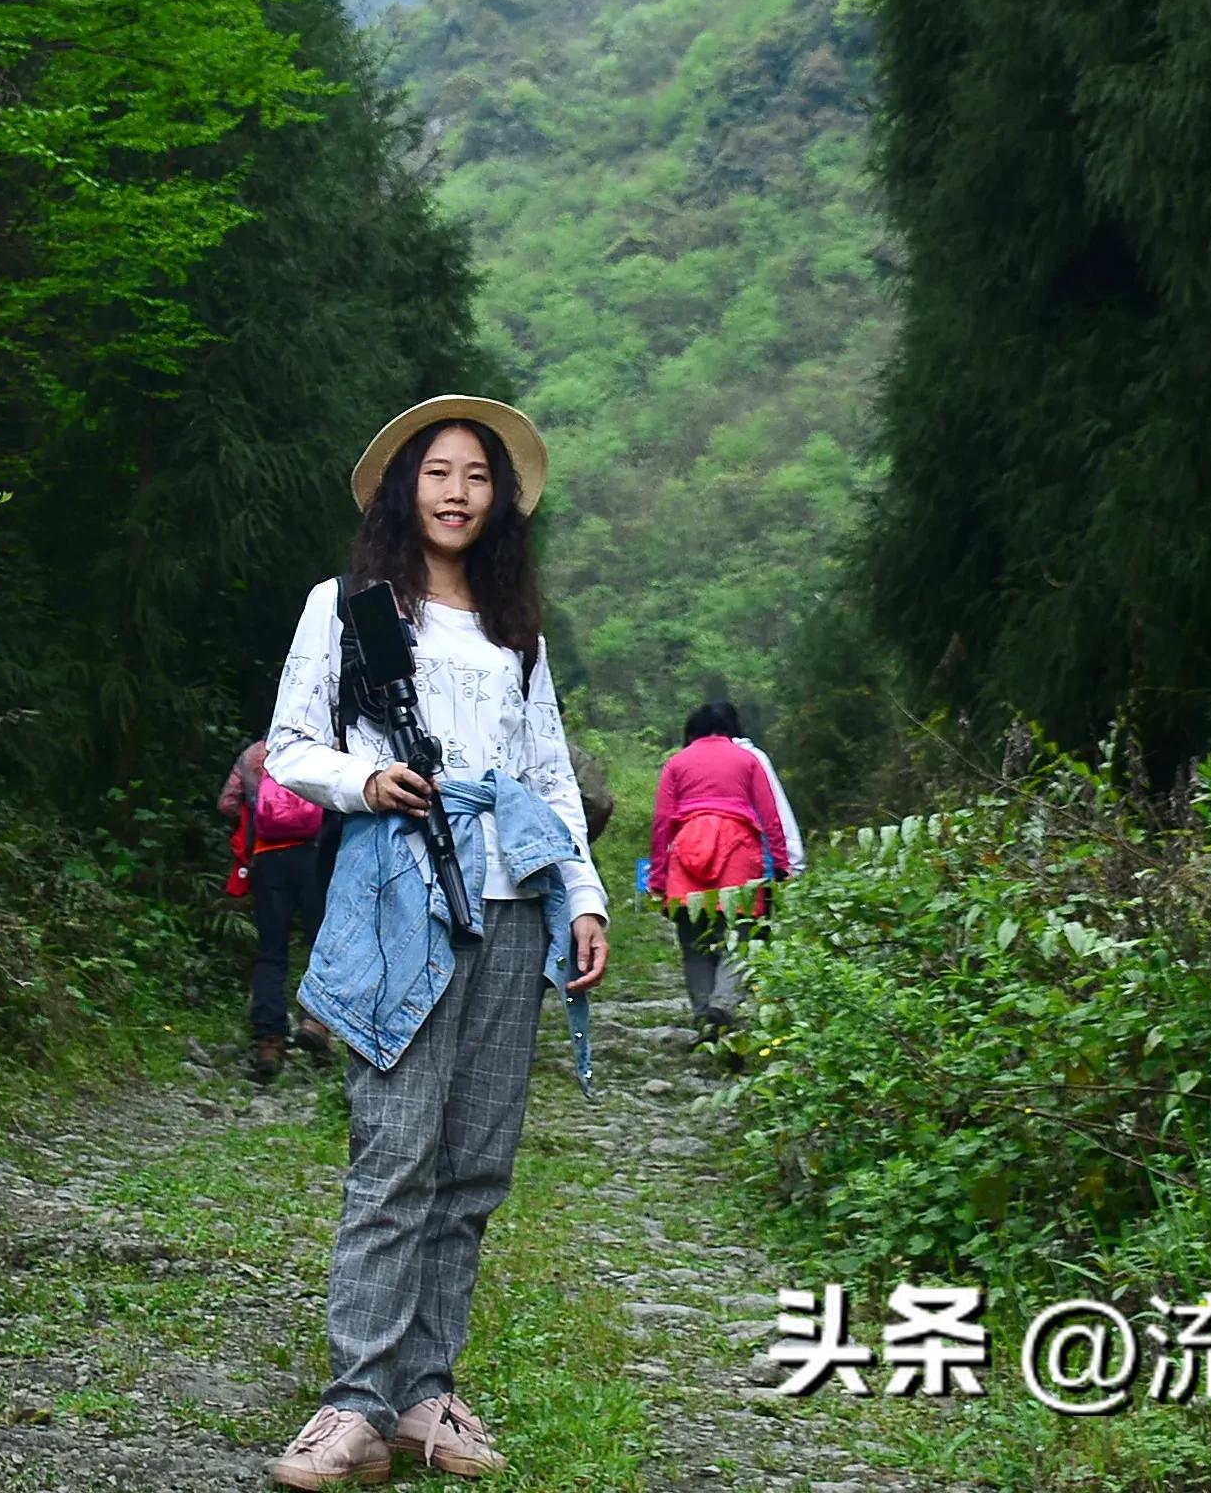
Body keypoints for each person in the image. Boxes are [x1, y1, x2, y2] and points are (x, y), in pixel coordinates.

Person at [256, 397, 611, 1488]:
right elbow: (287, 748)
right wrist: (362, 781)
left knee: (472, 1164)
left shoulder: (516, 630)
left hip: (509, 907)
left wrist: (583, 895)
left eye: (477, 478)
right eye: (438, 473)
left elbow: (548, 774)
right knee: (395, 1152)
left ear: (499, 502)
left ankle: (424, 1394)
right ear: (403, 488)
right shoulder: (349, 607)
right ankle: (351, 1404)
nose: (456, 492)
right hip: (397, 897)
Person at [645, 700, 799, 1035]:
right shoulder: (748, 760)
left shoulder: (676, 763)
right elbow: (770, 816)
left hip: (688, 852)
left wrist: (658, 877)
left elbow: (661, 825)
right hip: (739, 855)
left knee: (694, 940)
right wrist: (781, 865)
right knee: (747, 934)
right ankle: (723, 1005)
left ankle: (703, 1015)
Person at [217, 733, 334, 1083]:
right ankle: (316, 1024)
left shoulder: (253, 755)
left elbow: (226, 803)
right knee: (323, 944)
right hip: (314, 856)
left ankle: (269, 1042)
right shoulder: (321, 750)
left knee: (271, 951)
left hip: (268, 859)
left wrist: (258, 814)